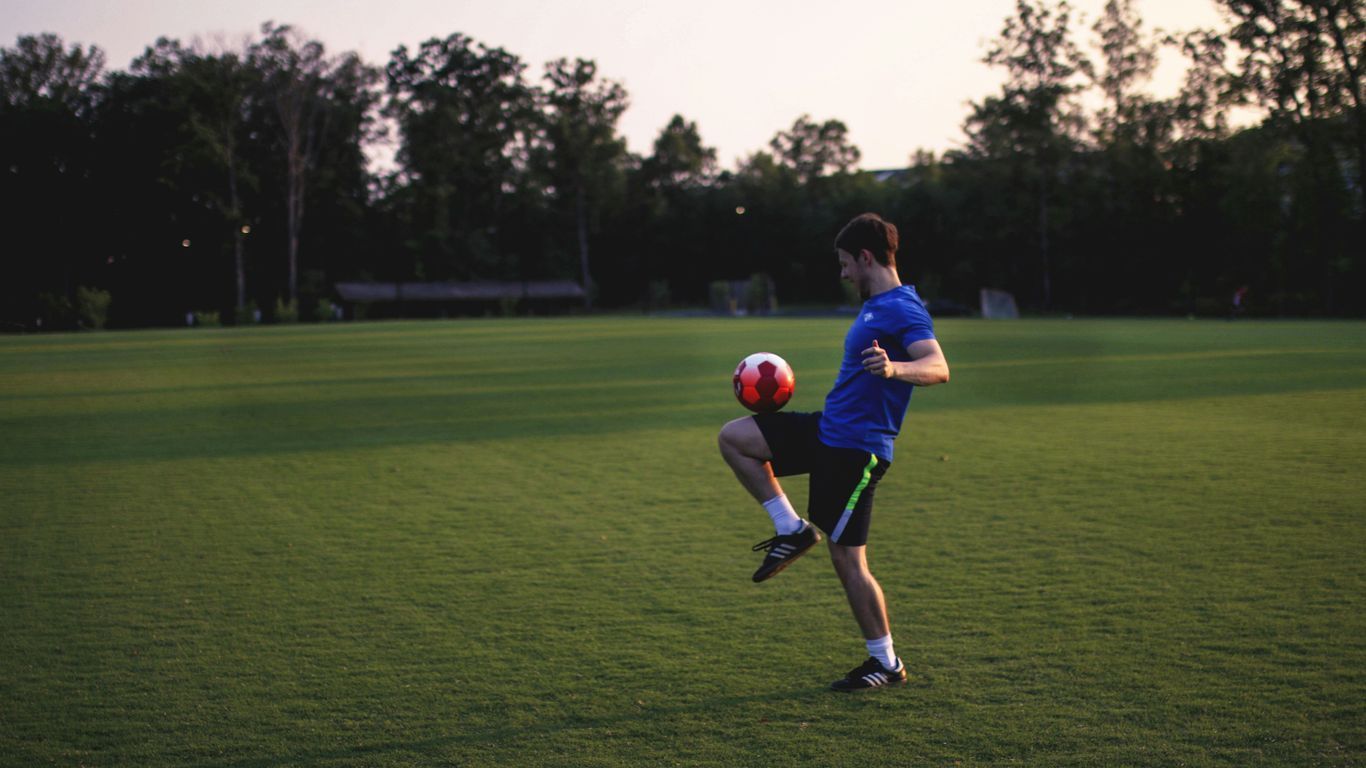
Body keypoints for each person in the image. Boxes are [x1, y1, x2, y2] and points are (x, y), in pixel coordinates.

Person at [717, 212, 950, 691]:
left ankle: (885, 663)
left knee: (848, 561)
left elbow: (938, 366)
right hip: (829, 430)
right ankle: (791, 529)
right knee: (735, 439)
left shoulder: (903, 308)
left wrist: (894, 370)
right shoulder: (874, 306)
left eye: (846, 263)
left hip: (856, 450)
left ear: (866, 258)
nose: (843, 273)